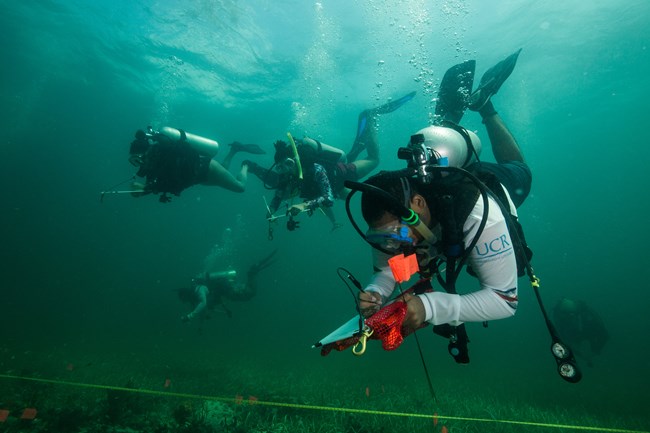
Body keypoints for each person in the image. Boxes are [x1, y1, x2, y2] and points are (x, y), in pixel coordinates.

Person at [351, 49, 530, 363]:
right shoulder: (390, 221)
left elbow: (505, 300)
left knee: (521, 171)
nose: (391, 245)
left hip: (487, 186)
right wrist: (377, 291)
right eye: (380, 240)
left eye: (394, 234)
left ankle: (486, 107)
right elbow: (391, 270)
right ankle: (451, 120)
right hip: (440, 203)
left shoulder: (477, 212)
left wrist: (430, 308)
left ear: (416, 204)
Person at [243, 91, 416, 230]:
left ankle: (370, 117)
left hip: (343, 173)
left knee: (374, 159)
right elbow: (280, 197)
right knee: (351, 195)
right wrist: (271, 211)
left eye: (287, 164)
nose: (286, 170)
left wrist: (304, 206)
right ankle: (361, 140)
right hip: (337, 186)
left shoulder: (314, 168)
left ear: (294, 159)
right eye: (281, 168)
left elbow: (327, 197)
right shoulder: (287, 179)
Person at [128, 126, 265, 203]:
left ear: (144, 153)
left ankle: (246, 165)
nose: (139, 163)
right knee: (223, 172)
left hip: (208, 168)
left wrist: (145, 188)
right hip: (200, 176)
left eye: (137, 159)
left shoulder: (162, 157)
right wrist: (146, 188)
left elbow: (173, 181)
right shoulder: (155, 161)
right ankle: (234, 150)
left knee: (240, 187)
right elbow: (165, 182)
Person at [177, 249, 277, 323]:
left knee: (251, 293)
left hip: (233, 291)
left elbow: (203, 304)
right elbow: (210, 306)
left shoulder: (200, 290)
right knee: (250, 292)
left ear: (186, 294)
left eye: (183, 299)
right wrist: (225, 312)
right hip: (233, 290)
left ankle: (253, 270)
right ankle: (253, 270)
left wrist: (189, 316)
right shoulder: (200, 293)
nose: (183, 301)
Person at [553, 298, 609, 365]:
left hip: (587, 334)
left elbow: (604, 334)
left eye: (570, 315)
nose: (566, 318)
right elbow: (564, 339)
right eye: (564, 315)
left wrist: (594, 351)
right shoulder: (564, 322)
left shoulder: (588, 321)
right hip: (578, 336)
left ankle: (592, 353)